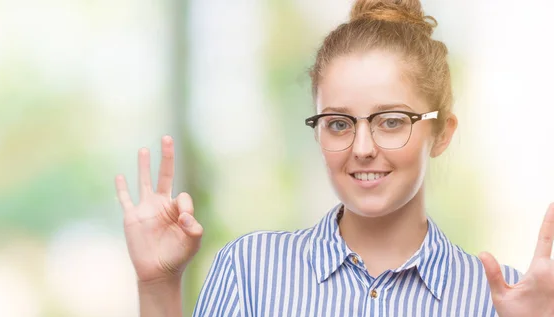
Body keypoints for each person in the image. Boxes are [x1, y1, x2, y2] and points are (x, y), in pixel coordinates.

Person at [114, 0, 554, 316]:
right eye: (340, 124)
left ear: (441, 133)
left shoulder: (507, 299)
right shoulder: (249, 271)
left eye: (391, 121)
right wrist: (157, 285)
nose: (362, 148)